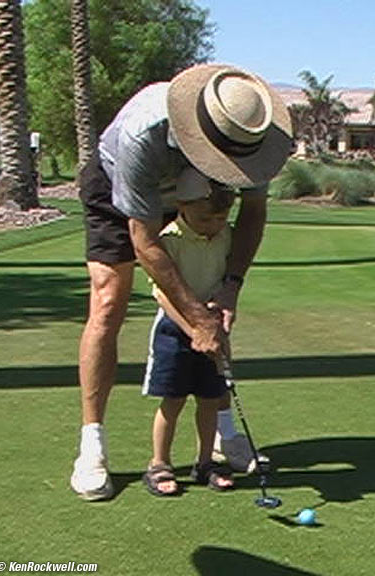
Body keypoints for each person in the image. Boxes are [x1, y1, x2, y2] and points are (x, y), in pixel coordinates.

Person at [71, 64, 292, 500]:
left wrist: (230, 287)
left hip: (197, 198)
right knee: (109, 300)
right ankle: (91, 444)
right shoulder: (145, 133)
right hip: (120, 189)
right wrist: (194, 318)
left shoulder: (260, 137)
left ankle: (224, 434)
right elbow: (145, 241)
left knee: (213, 302)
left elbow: (253, 214)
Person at [142, 168, 237, 496]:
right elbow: (162, 294)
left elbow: (226, 279)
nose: (213, 226)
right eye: (204, 218)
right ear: (182, 206)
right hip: (174, 329)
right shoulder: (170, 239)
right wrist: (193, 329)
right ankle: (159, 463)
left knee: (210, 399)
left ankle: (205, 462)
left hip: (211, 327)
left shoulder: (226, 236)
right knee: (173, 399)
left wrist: (215, 320)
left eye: (220, 218)